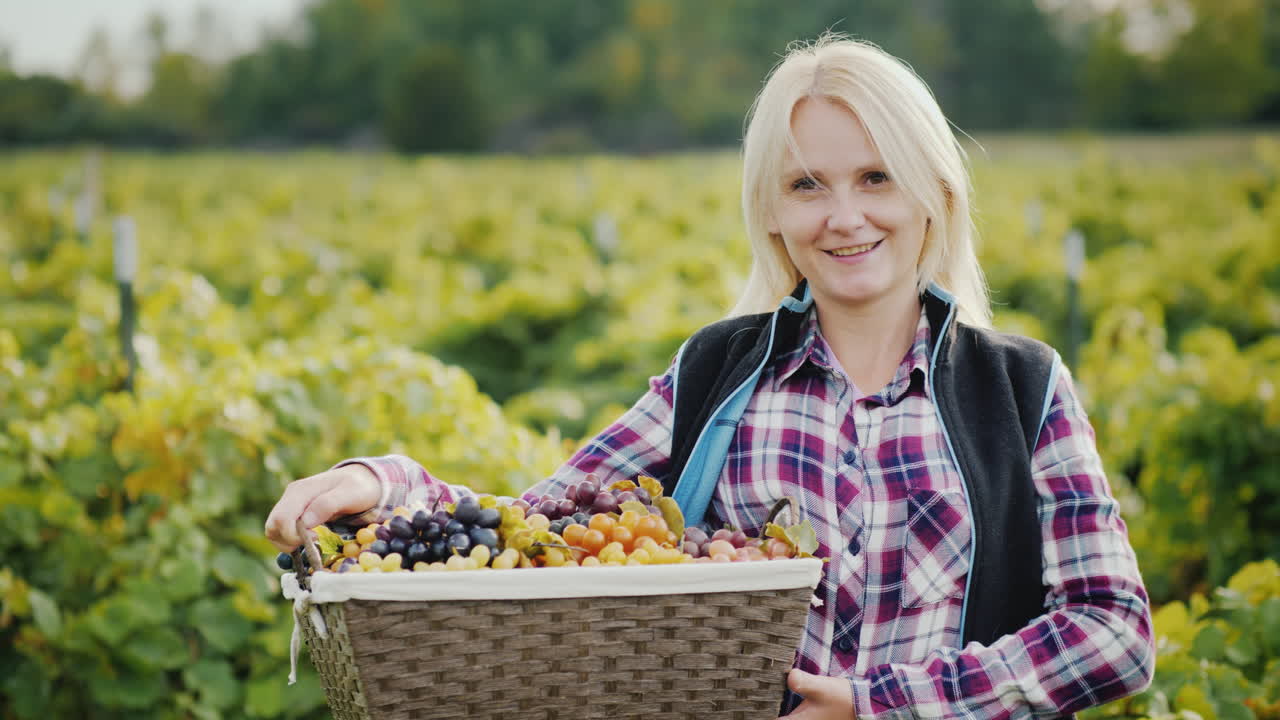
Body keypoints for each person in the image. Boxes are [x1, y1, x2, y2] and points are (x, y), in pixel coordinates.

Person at [266, 34, 1155, 719]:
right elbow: (533, 528)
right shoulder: (717, 375)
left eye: (876, 178)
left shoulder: (1019, 389)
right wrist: (380, 483)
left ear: (934, 193)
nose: (845, 217)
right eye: (808, 185)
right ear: (771, 211)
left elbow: (1114, 633)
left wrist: (884, 705)